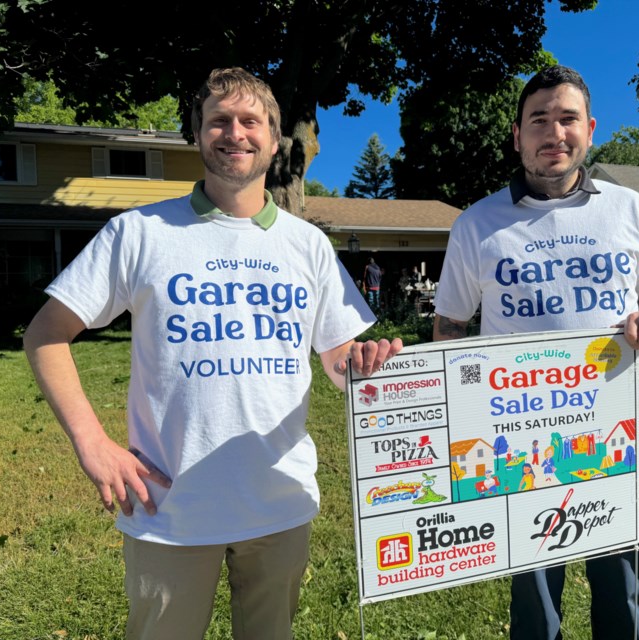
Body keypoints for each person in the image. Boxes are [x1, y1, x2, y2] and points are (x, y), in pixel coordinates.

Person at [22, 67, 401, 640]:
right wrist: (93, 445)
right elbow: (45, 335)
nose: (235, 133)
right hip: (169, 508)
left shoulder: (307, 245)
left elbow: (336, 354)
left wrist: (361, 367)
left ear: (275, 140)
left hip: (280, 501)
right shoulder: (140, 232)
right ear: (196, 135)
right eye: (218, 120)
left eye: (252, 121)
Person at [431, 65, 639, 640]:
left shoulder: (629, 210)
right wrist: (458, 395)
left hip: (621, 442)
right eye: (539, 120)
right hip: (520, 450)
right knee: (533, 606)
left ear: (590, 129)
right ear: (517, 136)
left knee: (622, 594)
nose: (554, 133)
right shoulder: (476, 225)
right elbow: (450, 326)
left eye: (567, 119)